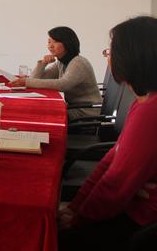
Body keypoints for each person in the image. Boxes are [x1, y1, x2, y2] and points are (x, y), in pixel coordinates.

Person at [58, 16, 157, 250]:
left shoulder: (151, 112)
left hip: (141, 223)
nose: (108, 57)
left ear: (131, 57)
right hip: (129, 207)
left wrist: (78, 218)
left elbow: (117, 183)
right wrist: (76, 207)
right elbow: (111, 161)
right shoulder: (142, 101)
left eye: (110, 51)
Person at [9, 26, 102, 121]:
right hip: (74, 107)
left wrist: (26, 82)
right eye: (49, 42)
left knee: (43, 115)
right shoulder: (61, 62)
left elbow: (63, 84)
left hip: (86, 112)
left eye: (55, 42)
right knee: (40, 112)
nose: (50, 46)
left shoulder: (78, 62)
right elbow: (34, 79)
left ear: (67, 43)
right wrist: (43, 63)